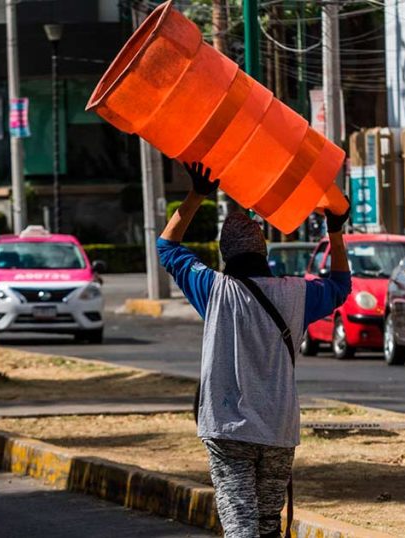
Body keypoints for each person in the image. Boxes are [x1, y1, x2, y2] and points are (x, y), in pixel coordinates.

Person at [157, 162, 351, 538]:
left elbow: (167, 248)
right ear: (263, 251)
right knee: (266, 527)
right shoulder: (297, 294)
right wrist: (335, 231)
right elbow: (341, 285)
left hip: (228, 430)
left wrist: (197, 194)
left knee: (240, 527)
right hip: (278, 429)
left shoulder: (213, 291)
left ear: (225, 256)